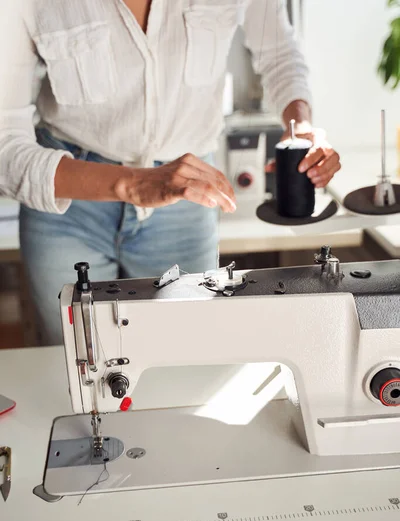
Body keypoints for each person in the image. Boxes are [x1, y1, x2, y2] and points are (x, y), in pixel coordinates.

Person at [0, 0, 341, 347]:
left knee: (188, 352)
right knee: (74, 360)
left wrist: (302, 122)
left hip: (185, 204)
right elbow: (5, 146)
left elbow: (279, 52)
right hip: (70, 206)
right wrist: (133, 184)